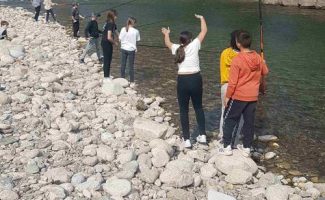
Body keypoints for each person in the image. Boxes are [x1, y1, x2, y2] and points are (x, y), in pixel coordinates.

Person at [219, 30, 269, 157]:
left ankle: (226, 147)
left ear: (238, 43)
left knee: (229, 119)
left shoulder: (238, 59)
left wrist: (227, 97)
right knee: (249, 122)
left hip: (238, 95)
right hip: (252, 96)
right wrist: (263, 62)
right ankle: (247, 148)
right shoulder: (257, 57)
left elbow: (233, 82)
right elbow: (265, 71)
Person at [161, 14, 208, 148]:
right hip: (195, 78)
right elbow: (204, 31)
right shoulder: (194, 45)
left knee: (183, 110)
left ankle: (187, 140)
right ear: (190, 39)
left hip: (182, 80)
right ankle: (203, 135)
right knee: (198, 107)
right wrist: (202, 18)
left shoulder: (177, 48)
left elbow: (167, 43)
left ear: (181, 40)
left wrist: (166, 33)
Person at [219, 30, 244, 147]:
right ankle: (234, 142)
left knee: (225, 112)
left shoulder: (224, 53)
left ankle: (222, 137)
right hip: (239, 87)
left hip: (225, 86)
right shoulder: (244, 56)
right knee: (240, 116)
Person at [119, 17, 140, 87]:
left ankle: (122, 79)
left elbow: (119, 39)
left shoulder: (122, 29)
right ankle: (132, 81)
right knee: (131, 66)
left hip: (123, 49)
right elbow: (137, 40)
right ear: (133, 23)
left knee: (123, 65)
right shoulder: (136, 31)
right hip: (131, 50)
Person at [101, 9, 118, 80]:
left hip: (104, 42)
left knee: (108, 59)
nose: (117, 17)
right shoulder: (111, 24)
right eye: (116, 15)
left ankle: (107, 74)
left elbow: (116, 31)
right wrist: (115, 42)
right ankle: (106, 77)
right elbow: (109, 37)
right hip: (106, 43)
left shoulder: (109, 22)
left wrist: (120, 37)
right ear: (113, 16)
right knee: (107, 59)